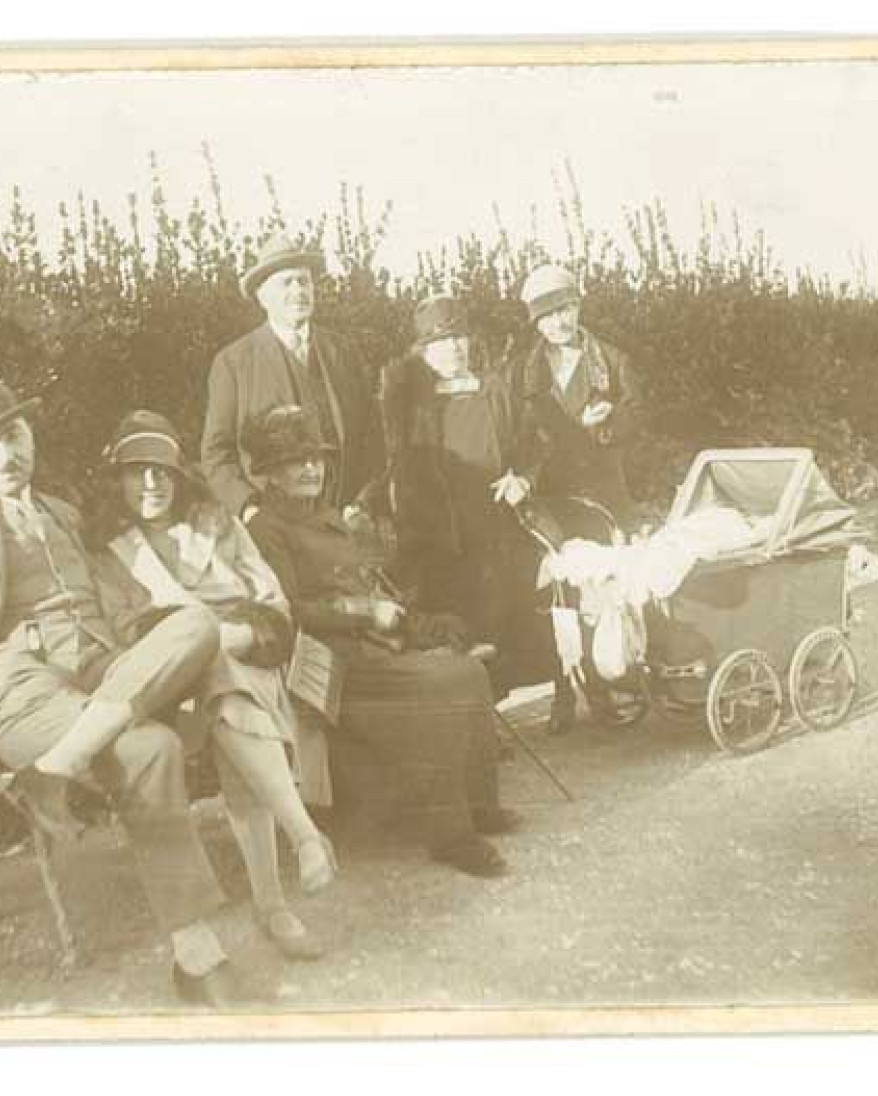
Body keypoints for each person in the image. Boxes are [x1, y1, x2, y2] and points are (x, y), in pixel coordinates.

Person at [0, 372, 245, 1007]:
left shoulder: (65, 516)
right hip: (20, 690)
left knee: (197, 622)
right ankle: (195, 946)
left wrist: (154, 637)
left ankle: (58, 768)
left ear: (31, 435)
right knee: (150, 748)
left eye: (13, 434)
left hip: (102, 672)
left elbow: (118, 606)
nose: (6, 455)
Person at [93, 410, 338, 962]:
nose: (152, 483)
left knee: (230, 690)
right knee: (222, 682)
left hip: (249, 664)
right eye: (137, 471)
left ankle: (279, 893)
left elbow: (273, 601)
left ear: (179, 476)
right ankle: (300, 846)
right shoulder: (110, 555)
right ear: (118, 479)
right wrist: (202, 639)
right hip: (168, 692)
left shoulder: (217, 524)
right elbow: (127, 639)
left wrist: (236, 635)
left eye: (162, 470)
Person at [242, 404, 522, 879]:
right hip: (328, 662)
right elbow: (288, 609)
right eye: (296, 461)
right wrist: (367, 612)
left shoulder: (326, 517)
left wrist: (404, 616)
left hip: (368, 647)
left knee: (468, 669)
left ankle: (478, 805)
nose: (310, 468)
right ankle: (451, 836)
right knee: (440, 685)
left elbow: (362, 579)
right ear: (270, 473)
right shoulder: (266, 530)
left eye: (315, 458)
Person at [379, 295, 541, 691]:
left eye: (458, 338)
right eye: (441, 341)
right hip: (432, 541)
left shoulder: (495, 391)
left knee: (493, 630)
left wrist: (523, 478)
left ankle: (492, 716)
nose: (452, 348)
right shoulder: (406, 405)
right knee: (445, 633)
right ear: (423, 350)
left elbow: (534, 444)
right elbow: (385, 463)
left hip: (489, 536)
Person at [511, 264, 646, 734]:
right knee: (556, 596)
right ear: (537, 324)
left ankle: (606, 686)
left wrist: (607, 424)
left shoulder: (611, 360)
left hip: (601, 494)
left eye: (565, 309)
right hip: (548, 494)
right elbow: (516, 431)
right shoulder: (524, 370)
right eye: (547, 317)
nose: (559, 323)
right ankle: (564, 691)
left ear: (578, 305)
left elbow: (639, 419)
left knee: (602, 592)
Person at [201, 234, 383, 520]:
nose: (299, 290)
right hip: (273, 525)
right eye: (287, 283)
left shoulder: (344, 352)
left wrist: (362, 502)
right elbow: (216, 454)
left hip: (342, 519)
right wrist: (249, 507)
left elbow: (372, 435)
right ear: (263, 296)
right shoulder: (234, 362)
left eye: (304, 281)